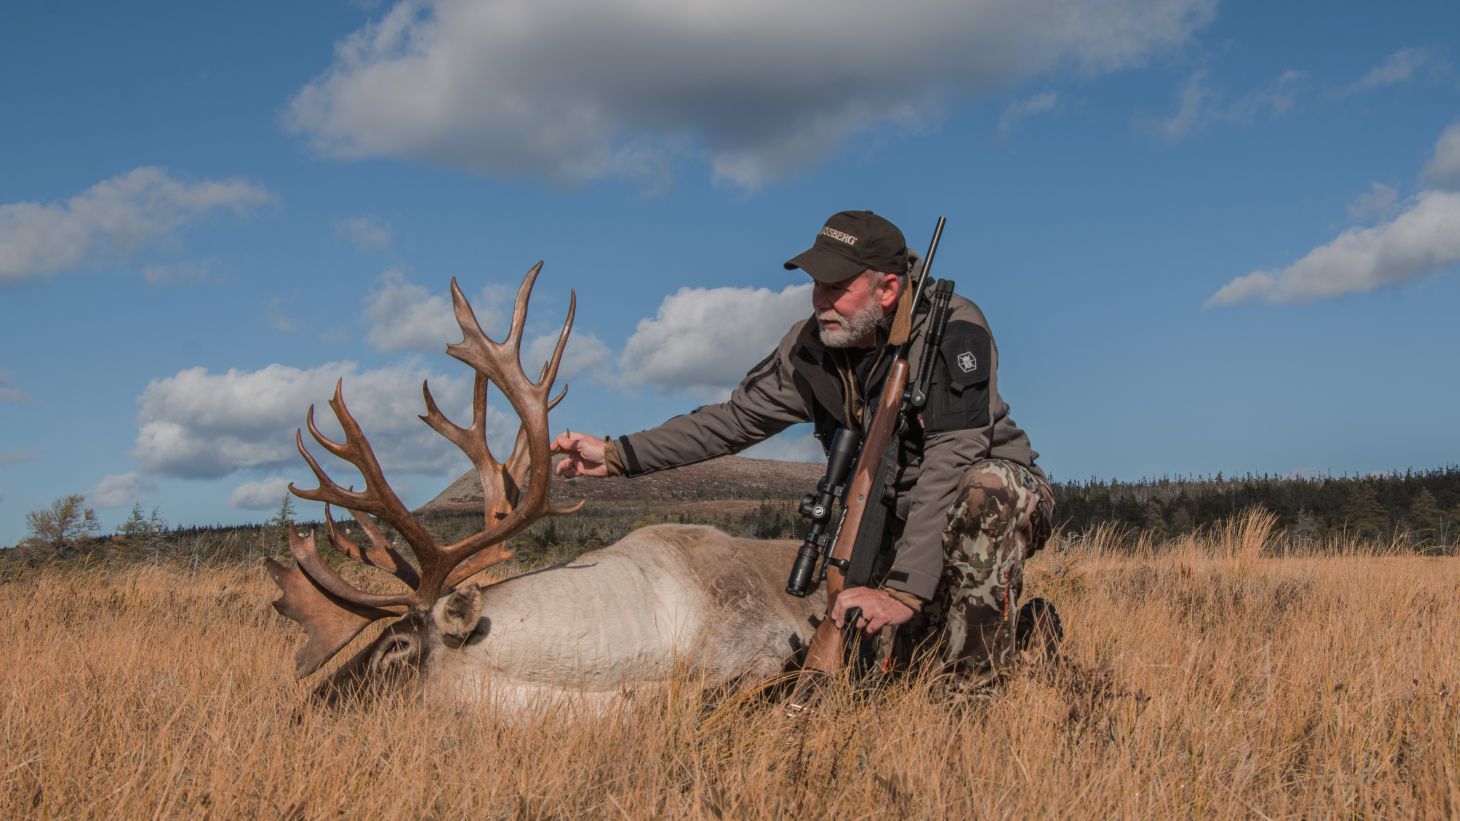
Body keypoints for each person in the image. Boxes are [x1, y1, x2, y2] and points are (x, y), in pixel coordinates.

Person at [553, 210, 1054, 682]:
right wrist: (617, 455)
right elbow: (732, 421)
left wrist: (904, 590)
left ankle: (975, 692)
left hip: (979, 499)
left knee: (987, 491)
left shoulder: (954, 327)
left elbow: (951, 459)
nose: (820, 300)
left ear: (888, 289)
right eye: (816, 284)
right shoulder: (809, 346)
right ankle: (1026, 629)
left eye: (837, 287)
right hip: (889, 515)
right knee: (881, 663)